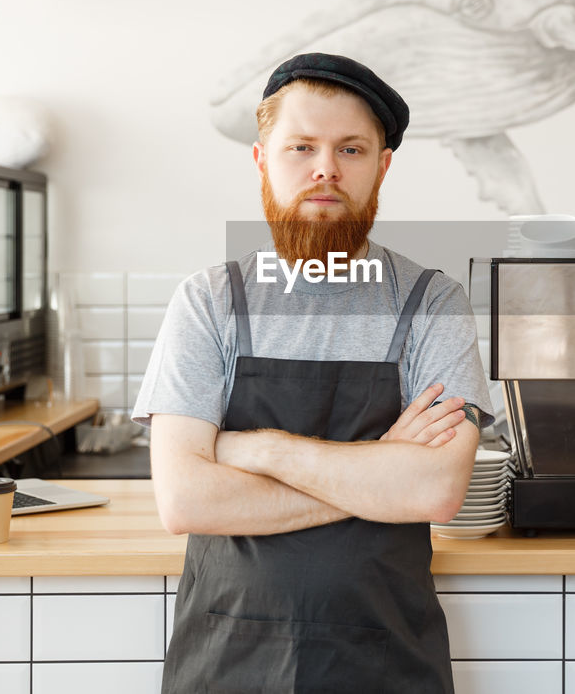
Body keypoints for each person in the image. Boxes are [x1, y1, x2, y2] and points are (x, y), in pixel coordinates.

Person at [133, 52, 494, 692]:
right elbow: (185, 498)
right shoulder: (209, 302)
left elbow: (434, 492)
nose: (325, 168)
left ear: (382, 167)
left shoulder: (433, 304)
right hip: (227, 661)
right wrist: (377, 472)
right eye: (301, 146)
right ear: (262, 158)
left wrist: (257, 449)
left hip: (386, 663)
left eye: (351, 150)